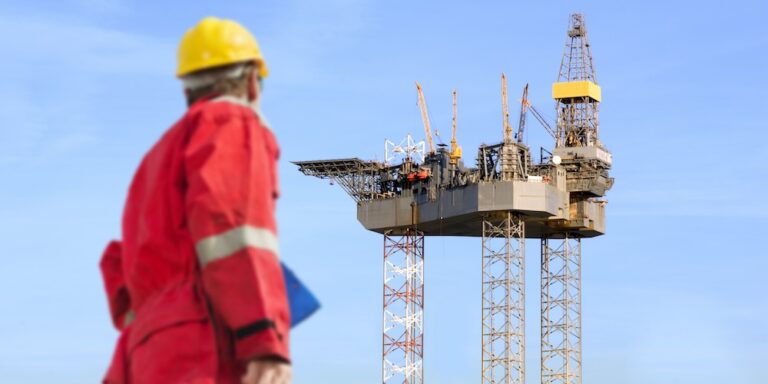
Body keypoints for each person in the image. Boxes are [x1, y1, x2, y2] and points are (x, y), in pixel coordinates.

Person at [100, 17, 292, 384]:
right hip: (202, 343)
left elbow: (119, 268)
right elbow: (233, 232)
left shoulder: (155, 157)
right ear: (252, 81)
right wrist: (263, 340)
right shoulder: (231, 121)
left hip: (141, 354)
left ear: (187, 88)